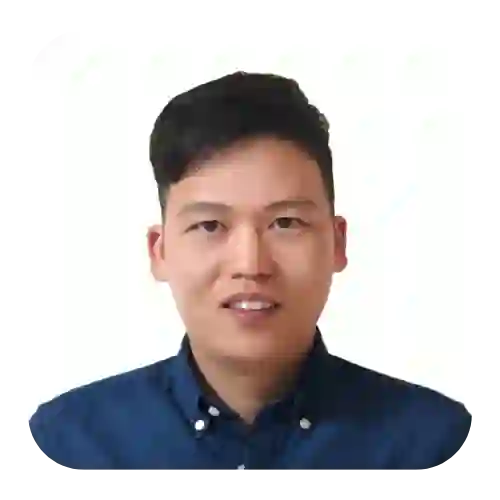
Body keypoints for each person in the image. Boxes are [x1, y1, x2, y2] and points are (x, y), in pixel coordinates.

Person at [25, 71, 471, 472]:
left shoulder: (432, 445)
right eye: (210, 226)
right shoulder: (68, 444)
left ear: (337, 243)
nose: (250, 264)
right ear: (159, 252)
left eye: (285, 223)